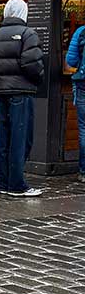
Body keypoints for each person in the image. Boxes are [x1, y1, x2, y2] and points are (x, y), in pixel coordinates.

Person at [0, 0, 44, 197]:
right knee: (21, 138)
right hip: (21, 92)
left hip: (1, 93)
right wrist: (38, 79)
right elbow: (32, 64)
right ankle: (17, 184)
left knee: (4, 138)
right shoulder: (28, 33)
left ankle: (4, 182)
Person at [65, 20, 85, 181]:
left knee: (84, 128)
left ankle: (84, 171)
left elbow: (71, 60)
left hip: (83, 84)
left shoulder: (81, 32)